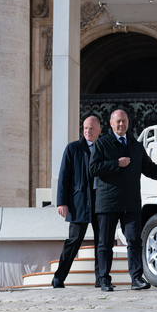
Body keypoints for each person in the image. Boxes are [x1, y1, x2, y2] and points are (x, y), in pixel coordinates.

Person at [89, 109, 157, 292]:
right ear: (111, 124)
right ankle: (104, 279)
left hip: (131, 202)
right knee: (105, 243)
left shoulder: (135, 145)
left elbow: (150, 168)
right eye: (118, 121)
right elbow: (93, 168)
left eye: (124, 121)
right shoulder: (102, 144)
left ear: (128, 122)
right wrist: (116, 164)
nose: (121, 125)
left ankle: (136, 278)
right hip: (108, 203)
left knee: (135, 240)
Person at [52, 116, 102, 289]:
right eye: (85, 128)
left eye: (91, 128)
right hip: (79, 202)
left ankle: (101, 279)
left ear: (99, 131)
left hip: (101, 201)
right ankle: (58, 278)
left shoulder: (104, 148)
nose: (88, 131)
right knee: (73, 241)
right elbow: (63, 177)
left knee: (101, 241)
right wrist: (61, 202)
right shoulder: (73, 148)